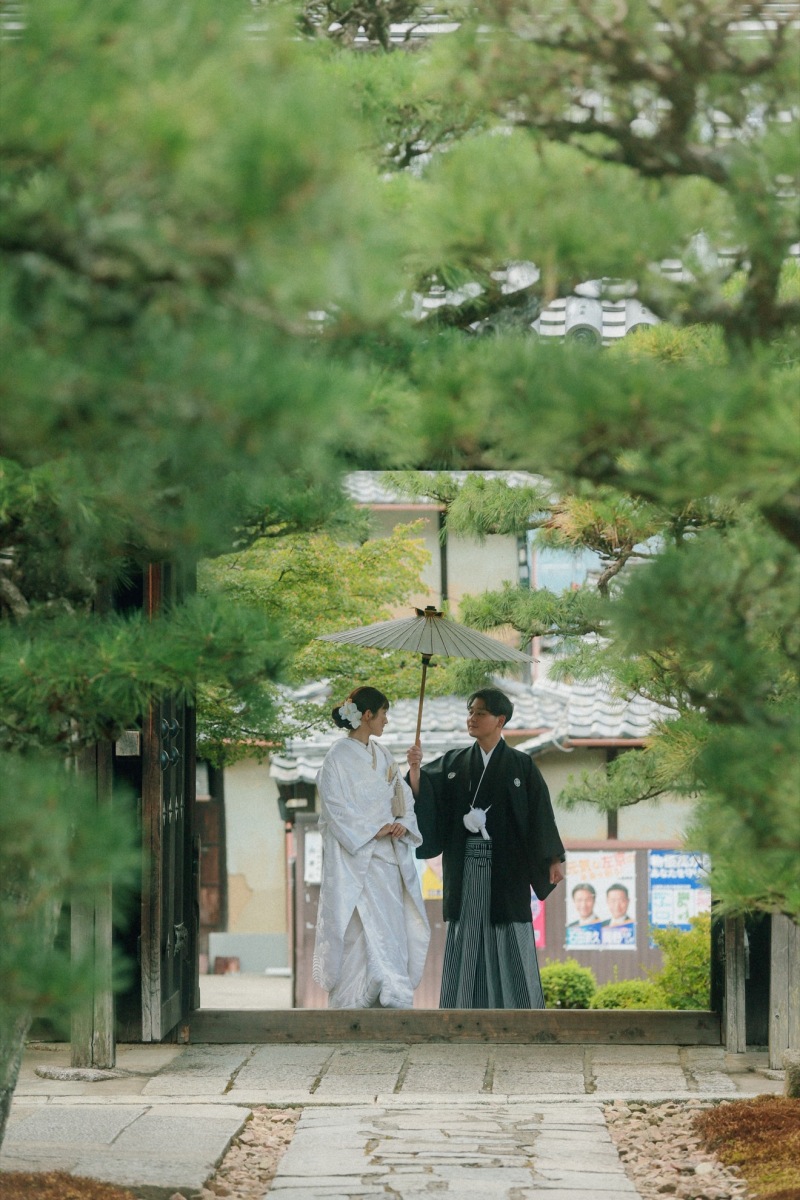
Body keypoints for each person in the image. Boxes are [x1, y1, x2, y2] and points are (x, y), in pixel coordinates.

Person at [406, 687, 565, 1009]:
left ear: (500, 720)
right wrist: (415, 770)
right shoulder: (453, 762)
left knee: (509, 928)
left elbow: (539, 814)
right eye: (470, 712)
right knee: (466, 929)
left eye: (480, 713)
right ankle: (461, 1010)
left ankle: (521, 1012)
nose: (472, 718)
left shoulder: (521, 766)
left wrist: (553, 858)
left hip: (507, 867)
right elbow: (424, 793)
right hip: (465, 864)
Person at [313, 685, 430, 1009]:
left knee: (390, 926)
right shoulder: (337, 757)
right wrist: (372, 829)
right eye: (383, 714)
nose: (386, 721)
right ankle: (353, 997)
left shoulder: (385, 755)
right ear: (367, 715)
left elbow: (402, 797)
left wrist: (402, 823)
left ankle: (391, 989)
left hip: (386, 857)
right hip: (357, 858)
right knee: (357, 929)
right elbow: (333, 806)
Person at [566, 881, 604, 948]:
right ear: (574, 901)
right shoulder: (570, 928)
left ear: (594, 901)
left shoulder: (604, 926)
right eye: (579, 900)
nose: (583, 905)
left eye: (588, 900)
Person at [600, 882, 635, 947]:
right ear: (607, 902)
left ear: (628, 901)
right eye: (613, 901)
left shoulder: (634, 926)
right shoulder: (600, 926)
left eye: (621, 901)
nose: (617, 906)